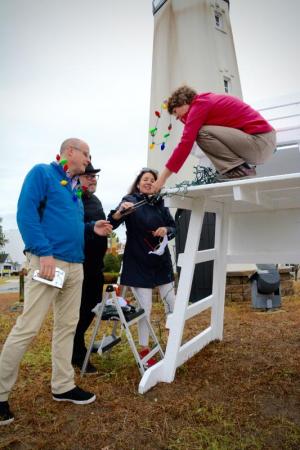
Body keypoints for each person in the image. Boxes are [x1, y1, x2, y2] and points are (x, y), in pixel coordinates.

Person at [0, 138, 112, 426]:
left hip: (76, 266)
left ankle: (62, 385)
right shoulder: (42, 173)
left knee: (67, 327)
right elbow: (25, 214)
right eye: (86, 154)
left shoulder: (73, 188)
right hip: (48, 263)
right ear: (70, 152)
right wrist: (43, 252)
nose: (88, 159)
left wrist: (91, 227)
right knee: (28, 327)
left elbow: (67, 224)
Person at [108, 168, 176, 366]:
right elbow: (112, 221)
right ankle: (145, 350)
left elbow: (173, 228)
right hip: (138, 261)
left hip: (161, 261)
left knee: (171, 301)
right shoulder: (130, 200)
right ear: (138, 184)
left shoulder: (161, 204)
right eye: (145, 179)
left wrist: (166, 230)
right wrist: (121, 211)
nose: (148, 182)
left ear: (157, 185)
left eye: (152, 180)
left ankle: (173, 342)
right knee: (145, 307)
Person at [153, 85, 276, 191]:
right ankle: (236, 169)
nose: (177, 118)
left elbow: (185, 144)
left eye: (175, 111)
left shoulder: (199, 105)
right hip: (261, 143)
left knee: (200, 132)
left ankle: (238, 170)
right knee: (201, 131)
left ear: (183, 102)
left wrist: (162, 179)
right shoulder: (205, 102)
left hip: (260, 141)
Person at [72, 161, 107, 373]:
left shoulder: (95, 200)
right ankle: (76, 353)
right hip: (79, 265)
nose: (93, 179)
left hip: (96, 266)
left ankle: (78, 344)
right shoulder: (72, 199)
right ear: (78, 178)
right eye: (89, 175)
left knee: (92, 307)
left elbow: (100, 227)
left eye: (95, 176)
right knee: (78, 311)